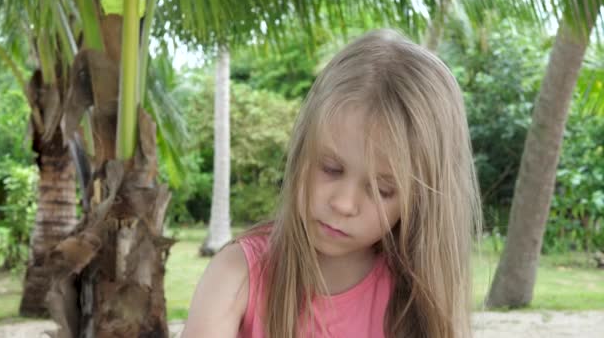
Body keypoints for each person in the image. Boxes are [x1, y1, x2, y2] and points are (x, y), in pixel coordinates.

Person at [182, 28, 482, 338]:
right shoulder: (236, 275)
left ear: (419, 202)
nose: (343, 203)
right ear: (302, 149)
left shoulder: (415, 302)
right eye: (331, 168)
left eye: (383, 191)